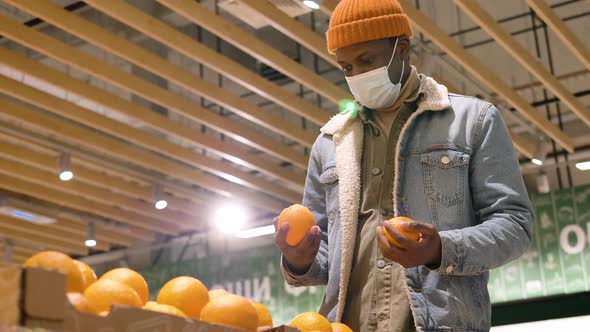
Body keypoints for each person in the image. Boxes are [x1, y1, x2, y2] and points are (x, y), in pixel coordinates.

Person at [274, 0, 534, 331]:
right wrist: (299, 260)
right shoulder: (330, 142)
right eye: (346, 67)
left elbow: (515, 226)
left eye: (366, 60)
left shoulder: (473, 122)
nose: (356, 75)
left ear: (403, 48)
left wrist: (440, 248)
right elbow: (322, 251)